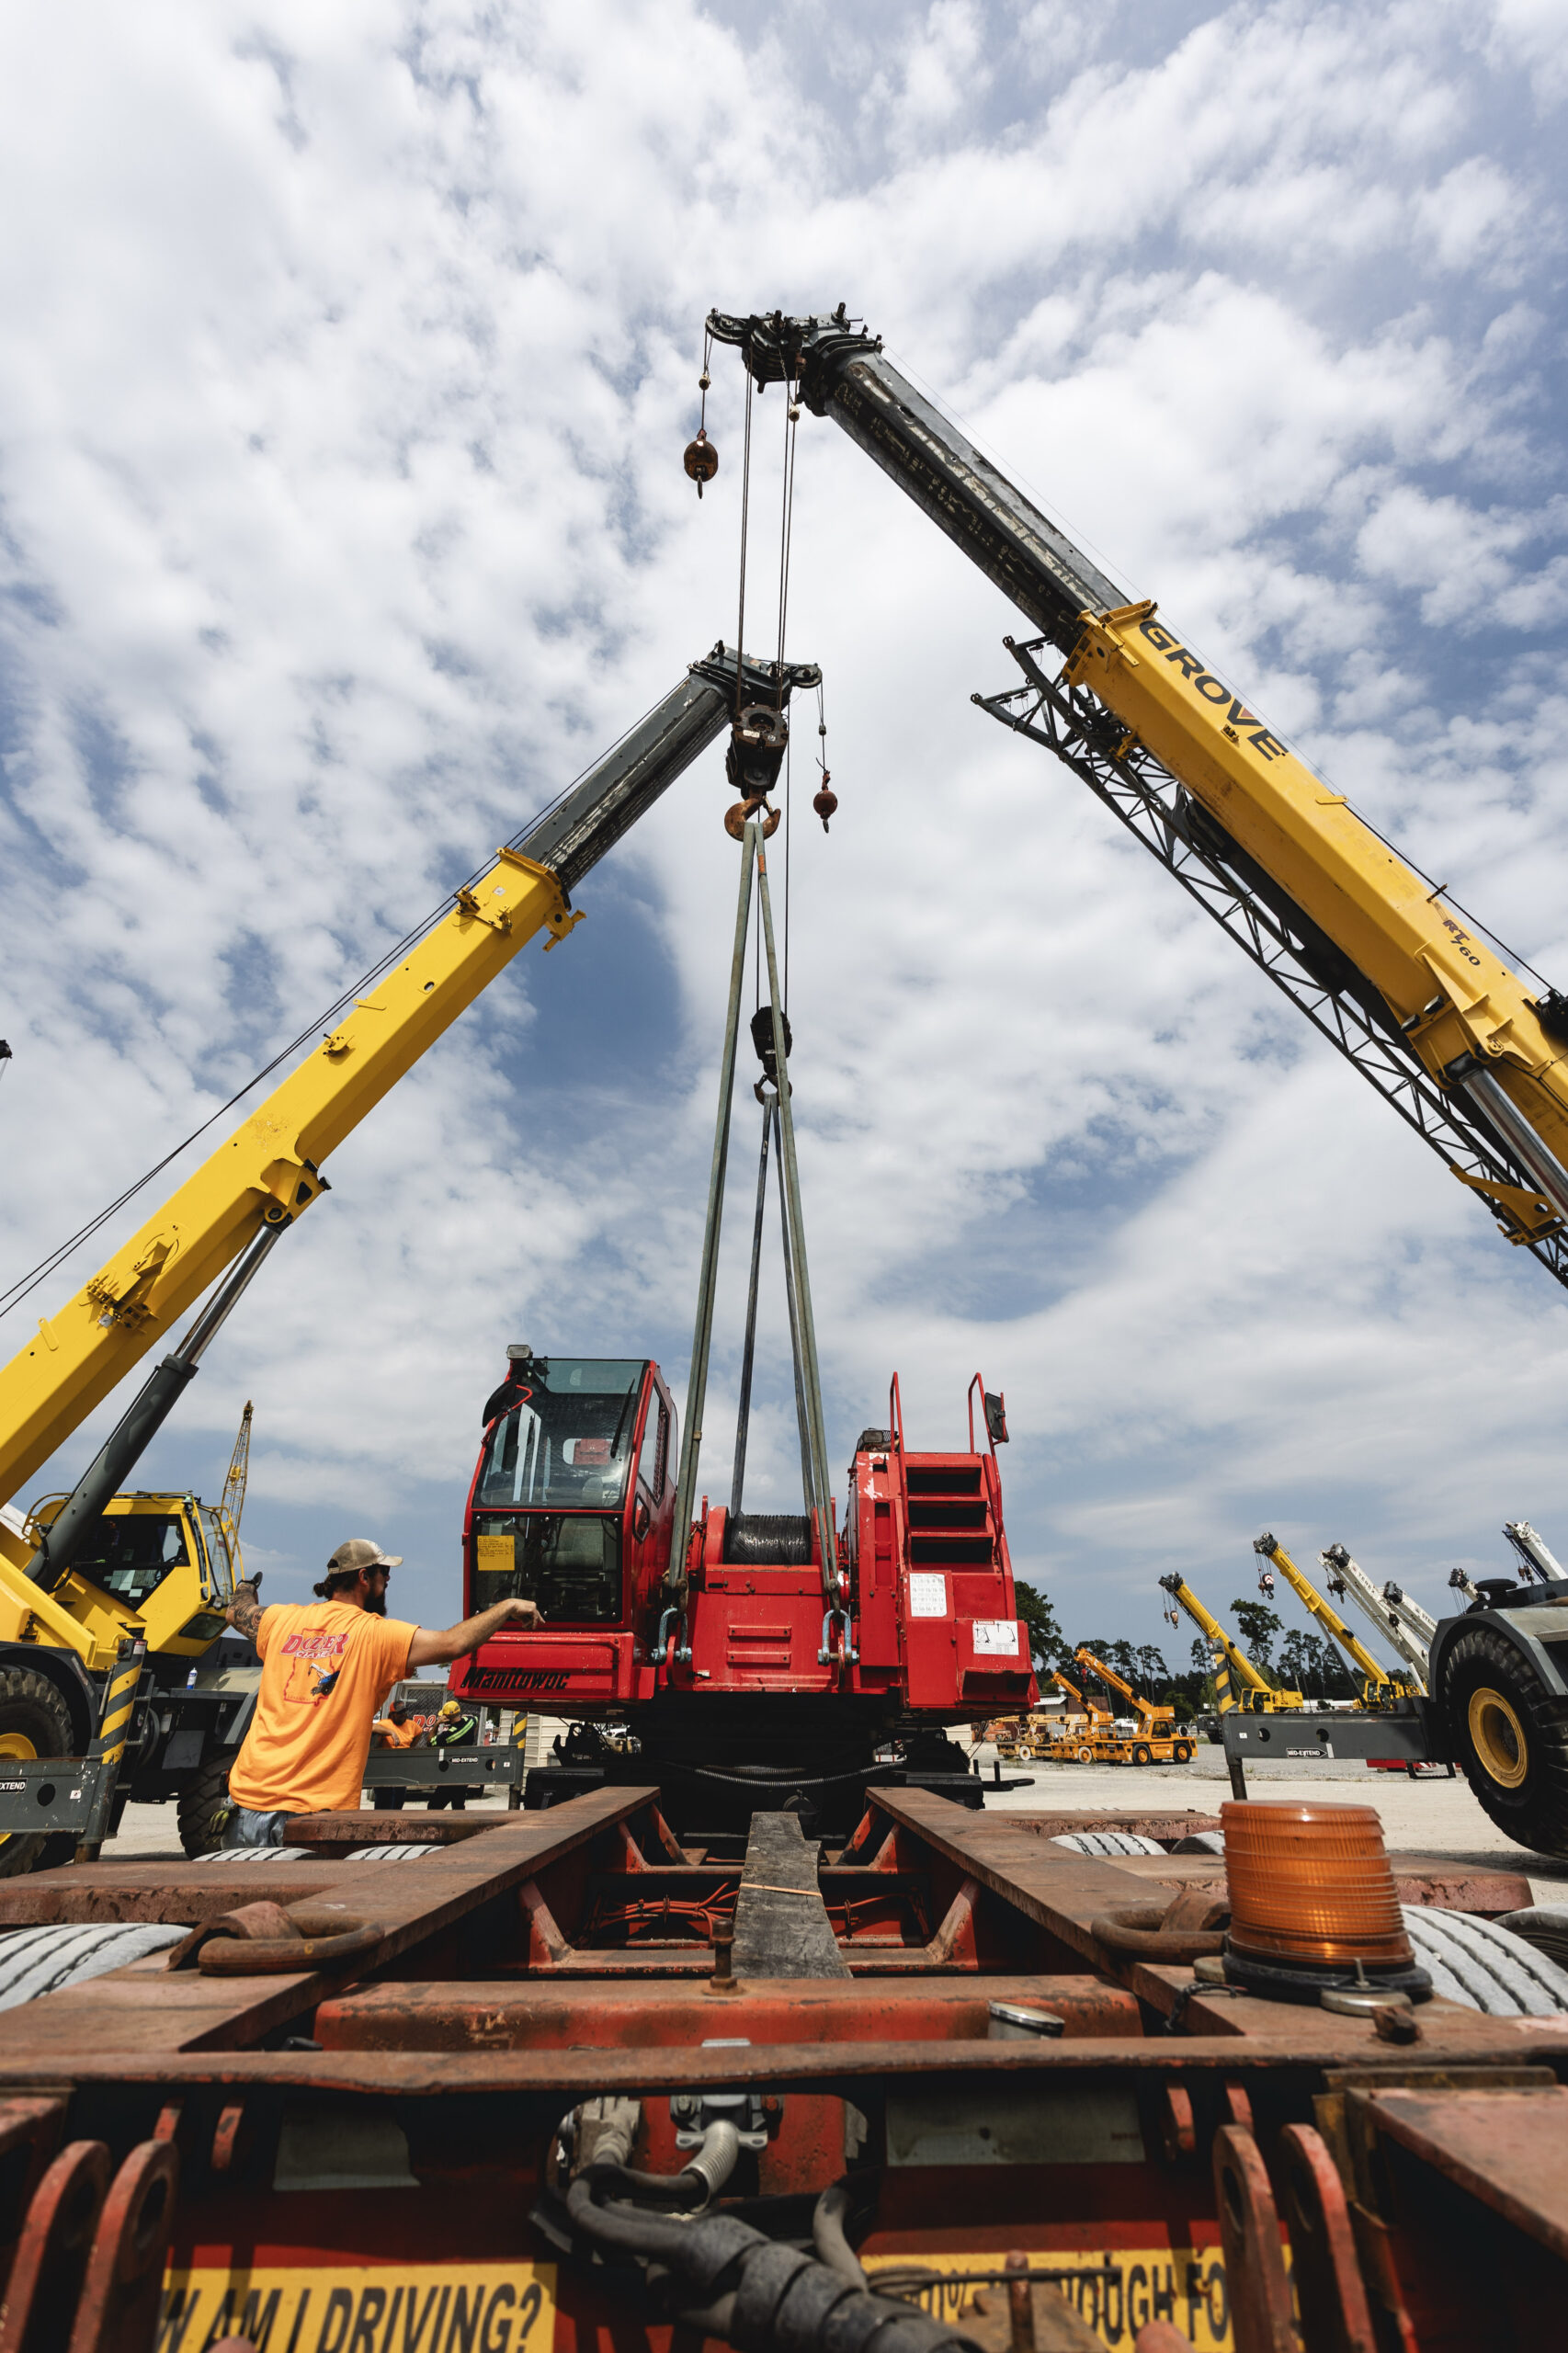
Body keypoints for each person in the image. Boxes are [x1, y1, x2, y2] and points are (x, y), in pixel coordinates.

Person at [218, 1538, 541, 1847]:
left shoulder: (281, 1621)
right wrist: (507, 1606)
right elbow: (453, 1644)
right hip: (310, 1816)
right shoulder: (374, 1633)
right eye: (384, 1573)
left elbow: (237, 1611)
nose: (388, 1580)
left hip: (243, 1805)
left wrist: (246, 1587)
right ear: (363, 1577)